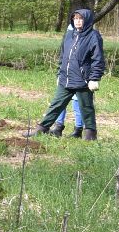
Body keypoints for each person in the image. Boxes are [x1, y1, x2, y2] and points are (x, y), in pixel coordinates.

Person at [37, 7, 105, 139]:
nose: (77, 21)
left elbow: (98, 59)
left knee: (86, 107)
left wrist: (94, 78)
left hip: (82, 80)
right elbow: (63, 56)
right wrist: (59, 73)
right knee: (55, 105)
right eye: (75, 18)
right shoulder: (70, 34)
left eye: (81, 19)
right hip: (66, 79)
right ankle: (41, 129)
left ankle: (90, 135)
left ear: (87, 20)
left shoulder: (93, 36)